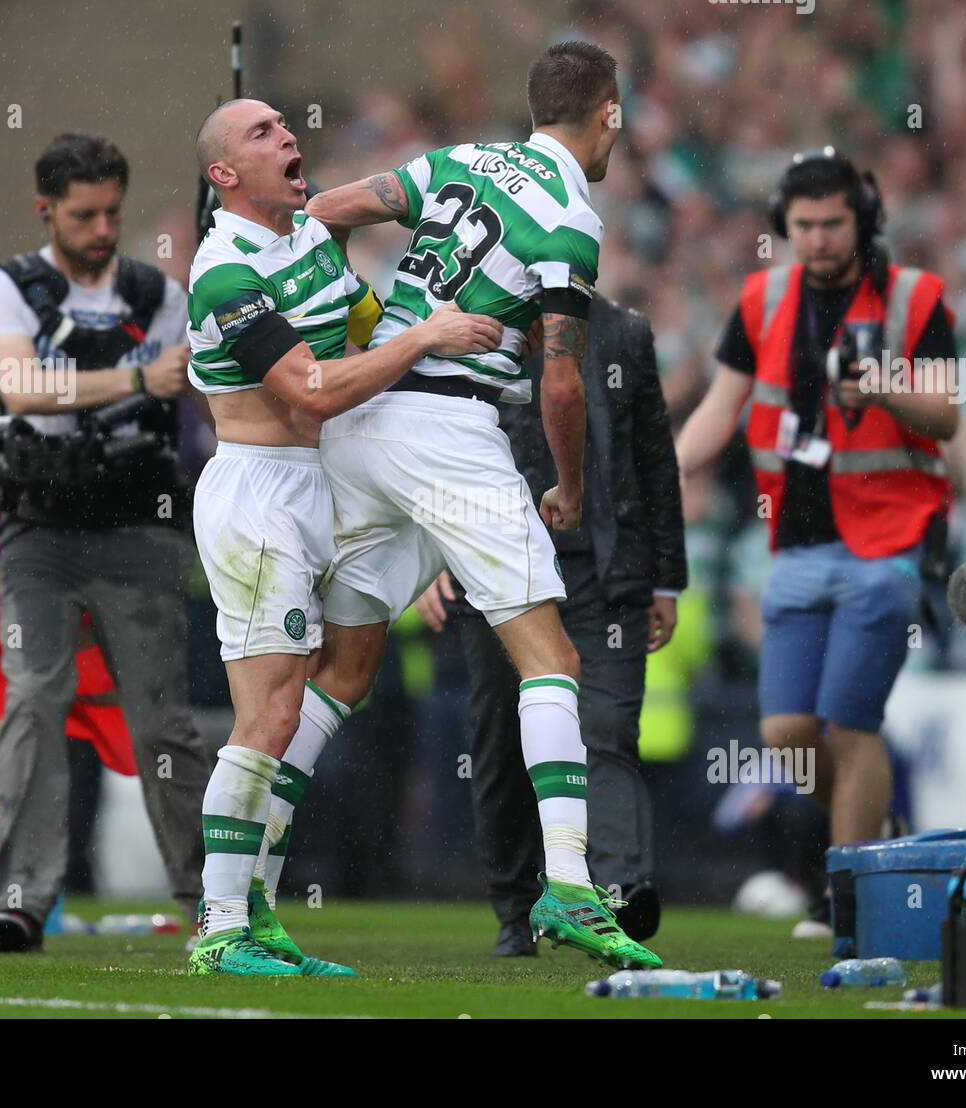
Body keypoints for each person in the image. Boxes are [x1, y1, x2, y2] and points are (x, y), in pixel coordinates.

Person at [276, 40, 661, 971]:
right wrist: (567, 487)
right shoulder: (571, 217)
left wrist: (359, 322)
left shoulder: (461, 161)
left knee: (343, 672)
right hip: (451, 430)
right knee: (552, 658)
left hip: (366, 420)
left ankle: (242, 881)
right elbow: (561, 387)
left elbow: (323, 212)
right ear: (607, 112)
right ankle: (570, 889)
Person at [183, 98, 503, 976]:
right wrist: (432, 334)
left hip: (328, 483)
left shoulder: (309, 238)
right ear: (222, 176)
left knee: (326, 693)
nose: (287, 137)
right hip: (258, 499)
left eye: (285, 126)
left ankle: (259, 913)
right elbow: (316, 390)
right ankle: (217, 928)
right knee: (271, 712)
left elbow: (364, 331)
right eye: (261, 134)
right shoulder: (224, 274)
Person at [675, 147, 959, 937]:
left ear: (861, 220)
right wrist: (668, 470)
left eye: (833, 223)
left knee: (848, 725)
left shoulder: (915, 298)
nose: (819, 238)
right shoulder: (763, 299)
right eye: (803, 225)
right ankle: (874, 843)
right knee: (786, 734)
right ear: (783, 226)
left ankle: (845, 902)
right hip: (795, 544)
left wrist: (886, 387)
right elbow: (719, 408)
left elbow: (948, 414)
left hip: (889, 542)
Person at [0, 133, 211, 952]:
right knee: (34, 699)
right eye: (84, 215)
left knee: (162, 725)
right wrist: (140, 378)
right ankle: (19, 902)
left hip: (139, 528)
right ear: (48, 210)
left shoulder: (160, 292)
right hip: (37, 530)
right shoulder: (7, 290)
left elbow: (207, 392)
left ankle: (212, 901)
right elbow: (24, 392)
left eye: (113, 210)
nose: (103, 227)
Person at [415, 292, 687, 955]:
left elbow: (654, 454)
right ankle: (516, 911)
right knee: (501, 743)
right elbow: (420, 443)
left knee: (608, 730)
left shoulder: (623, 331)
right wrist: (427, 555)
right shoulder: (463, 327)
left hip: (606, 570)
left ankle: (619, 894)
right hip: (493, 562)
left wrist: (665, 577)